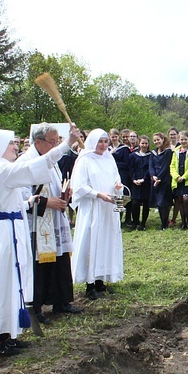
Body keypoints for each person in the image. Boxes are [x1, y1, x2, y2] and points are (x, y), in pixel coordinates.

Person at [0, 128, 76, 356]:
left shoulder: (1, 169)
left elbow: (15, 200)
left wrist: (29, 201)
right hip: (5, 234)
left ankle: (10, 334)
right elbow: (34, 166)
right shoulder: (1, 168)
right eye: (11, 144)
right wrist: (67, 144)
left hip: (12, 229)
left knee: (14, 282)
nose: (16, 147)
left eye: (16, 143)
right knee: (4, 282)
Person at [20, 123, 83, 324]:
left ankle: (61, 301)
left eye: (57, 141)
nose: (55, 146)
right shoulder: (26, 161)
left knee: (60, 260)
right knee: (40, 266)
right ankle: (36, 308)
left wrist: (64, 194)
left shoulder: (50, 159)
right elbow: (23, 197)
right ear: (38, 141)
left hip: (55, 217)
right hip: (38, 222)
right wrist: (48, 202)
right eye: (52, 142)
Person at [70, 128, 124, 299]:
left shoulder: (110, 159)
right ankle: (90, 284)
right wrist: (98, 194)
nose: (103, 145)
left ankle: (101, 280)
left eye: (105, 141)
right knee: (92, 242)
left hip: (108, 209)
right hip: (93, 208)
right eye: (100, 141)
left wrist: (117, 187)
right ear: (93, 141)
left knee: (106, 242)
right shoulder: (85, 160)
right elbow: (79, 186)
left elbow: (117, 179)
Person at [170, 131, 188, 230]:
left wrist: (184, 177)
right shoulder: (175, 151)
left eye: (185, 139)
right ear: (179, 140)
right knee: (180, 200)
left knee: (186, 199)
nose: (183, 141)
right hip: (178, 180)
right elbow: (172, 166)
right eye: (181, 139)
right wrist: (177, 176)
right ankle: (183, 222)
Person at [149, 132, 173, 230]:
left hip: (164, 180)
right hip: (155, 180)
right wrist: (153, 175)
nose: (156, 142)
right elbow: (150, 165)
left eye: (158, 139)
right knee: (158, 203)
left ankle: (164, 223)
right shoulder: (153, 152)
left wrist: (159, 178)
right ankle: (163, 222)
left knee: (164, 203)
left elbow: (165, 166)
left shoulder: (168, 152)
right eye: (154, 140)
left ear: (163, 139)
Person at [129, 135, 152, 230]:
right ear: (139, 143)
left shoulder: (151, 155)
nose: (144, 145)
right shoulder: (133, 156)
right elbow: (131, 168)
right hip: (135, 183)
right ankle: (135, 222)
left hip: (146, 183)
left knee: (146, 203)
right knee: (135, 203)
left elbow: (150, 168)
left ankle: (143, 223)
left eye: (146, 143)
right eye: (142, 143)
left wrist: (144, 179)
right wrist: (134, 179)